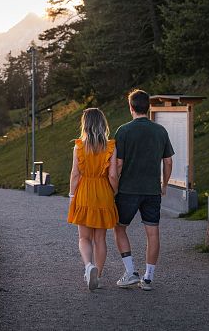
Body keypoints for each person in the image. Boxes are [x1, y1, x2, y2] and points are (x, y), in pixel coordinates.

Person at [113, 89, 173, 291]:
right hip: (152, 190)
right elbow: (168, 161)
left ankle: (130, 272)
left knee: (120, 228)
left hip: (128, 189)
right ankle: (148, 278)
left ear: (131, 107)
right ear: (148, 107)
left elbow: (119, 164)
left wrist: (114, 186)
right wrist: (164, 185)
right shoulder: (160, 131)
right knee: (153, 233)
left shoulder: (123, 131)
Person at [67, 108, 119, 291]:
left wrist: (72, 195)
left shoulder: (79, 146)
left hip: (85, 193)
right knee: (100, 239)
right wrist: (114, 192)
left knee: (84, 237)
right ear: (103, 124)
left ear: (85, 124)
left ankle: (89, 266)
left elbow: (75, 174)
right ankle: (99, 274)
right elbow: (113, 175)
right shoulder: (111, 146)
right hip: (103, 192)